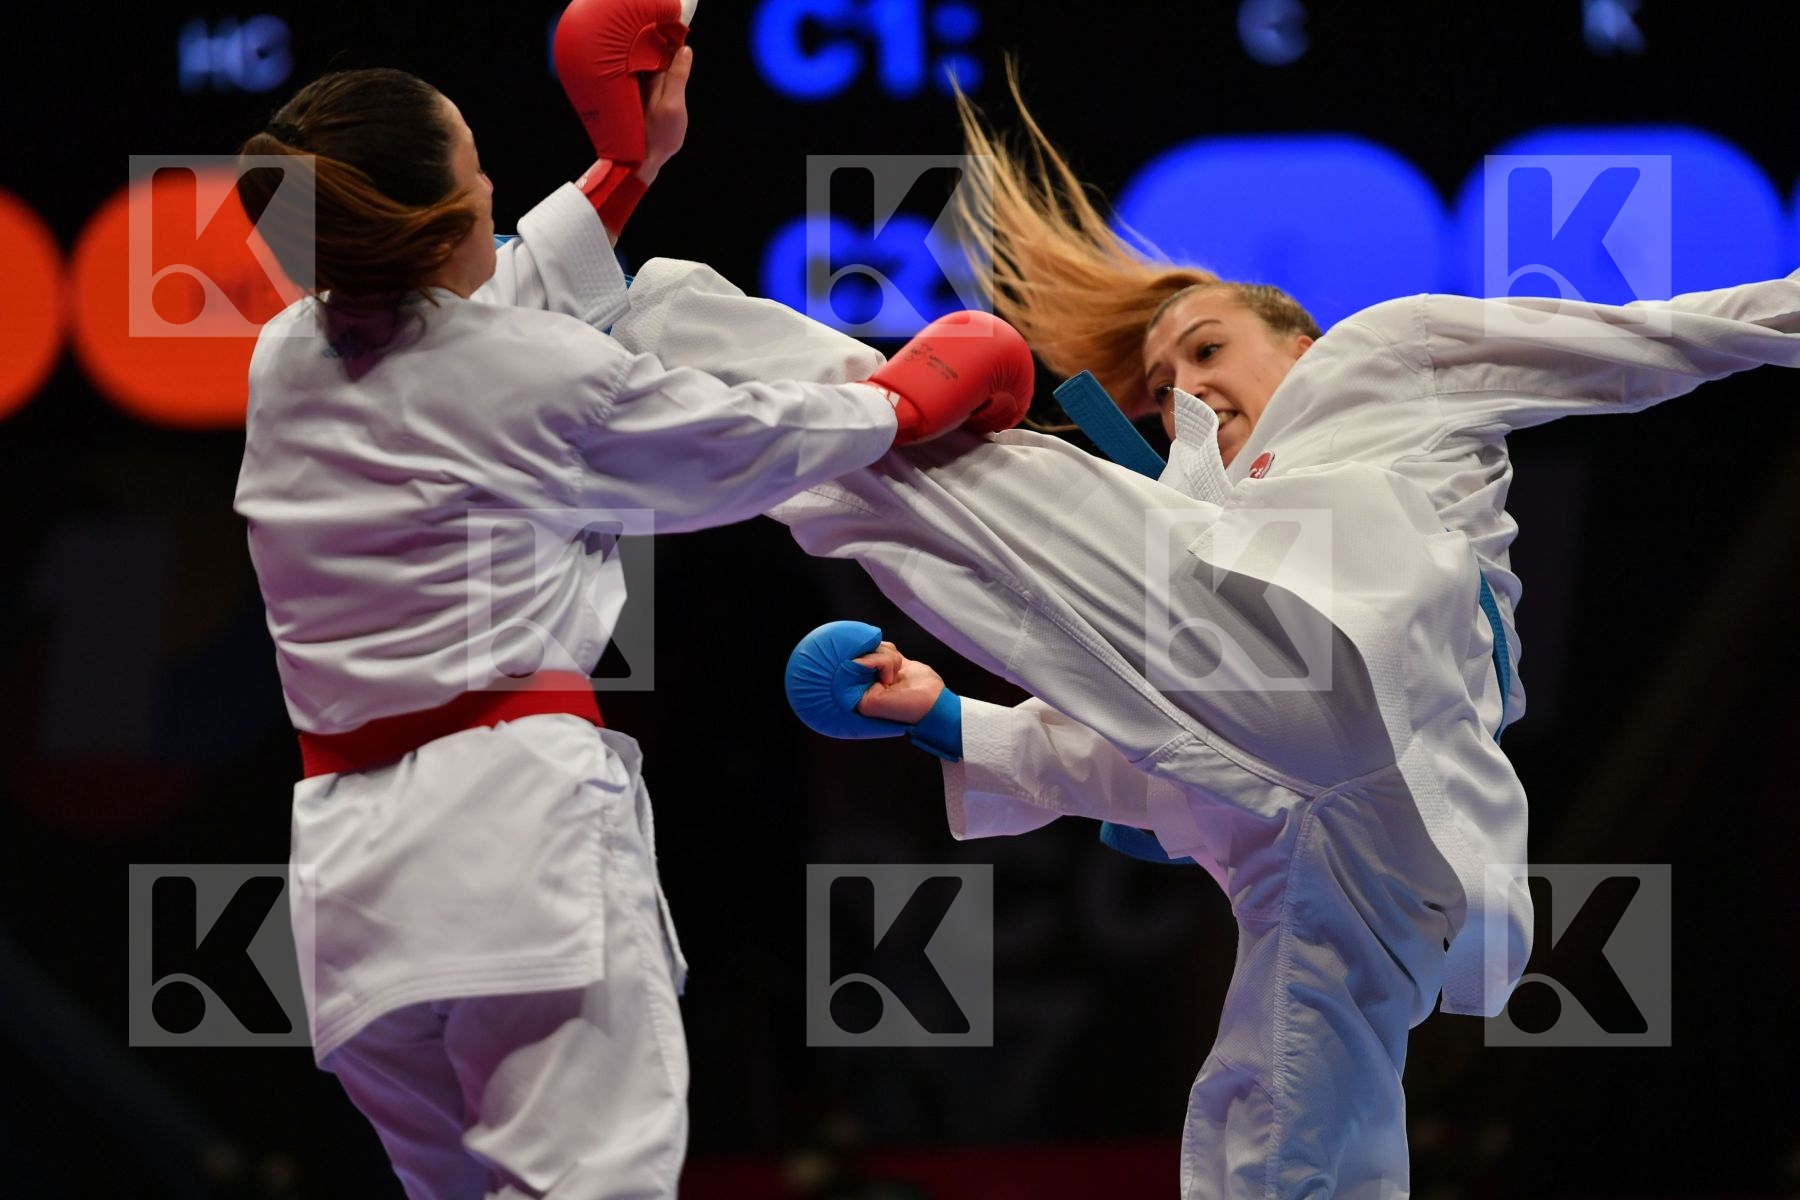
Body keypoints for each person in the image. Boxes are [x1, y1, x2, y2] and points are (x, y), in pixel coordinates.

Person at [608, 74, 1800, 1197]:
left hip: (1355, 690)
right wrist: (950, 718)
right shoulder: (1197, 498)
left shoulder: (1382, 361)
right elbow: (1166, 745)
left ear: (1301, 342)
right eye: (1161, 379)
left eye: (1209, 348)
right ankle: (646, 370)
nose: (1186, 387)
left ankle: (636, 322)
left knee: (932, 460)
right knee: (1277, 1135)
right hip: (1332, 832)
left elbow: (1660, 339)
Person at [229, 5, 1034, 1194]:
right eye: (478, 170)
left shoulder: (285, 357)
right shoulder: (534, 377)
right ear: (441, 219)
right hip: (513, 847)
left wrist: (626, 167)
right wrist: (902, 405)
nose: (496, 192)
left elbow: (479, 313)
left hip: (354, 895)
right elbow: (735, 440)